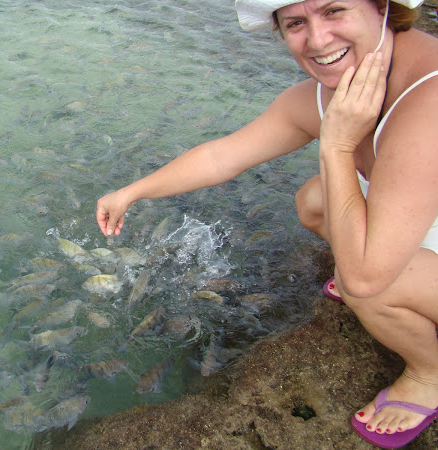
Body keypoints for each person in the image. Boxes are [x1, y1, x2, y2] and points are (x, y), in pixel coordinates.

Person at [96, 0, 438, 446]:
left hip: (401, 236)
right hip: (419, 211)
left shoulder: (427, 100)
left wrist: (335, 146)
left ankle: (429, 372)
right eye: (296, 22)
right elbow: (223, 155)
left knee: (365, 283)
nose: (317, 39)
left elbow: (367, 276)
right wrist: (131, 191)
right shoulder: (337, 87)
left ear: (381, 7)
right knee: (315, 200)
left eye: (335, 10)